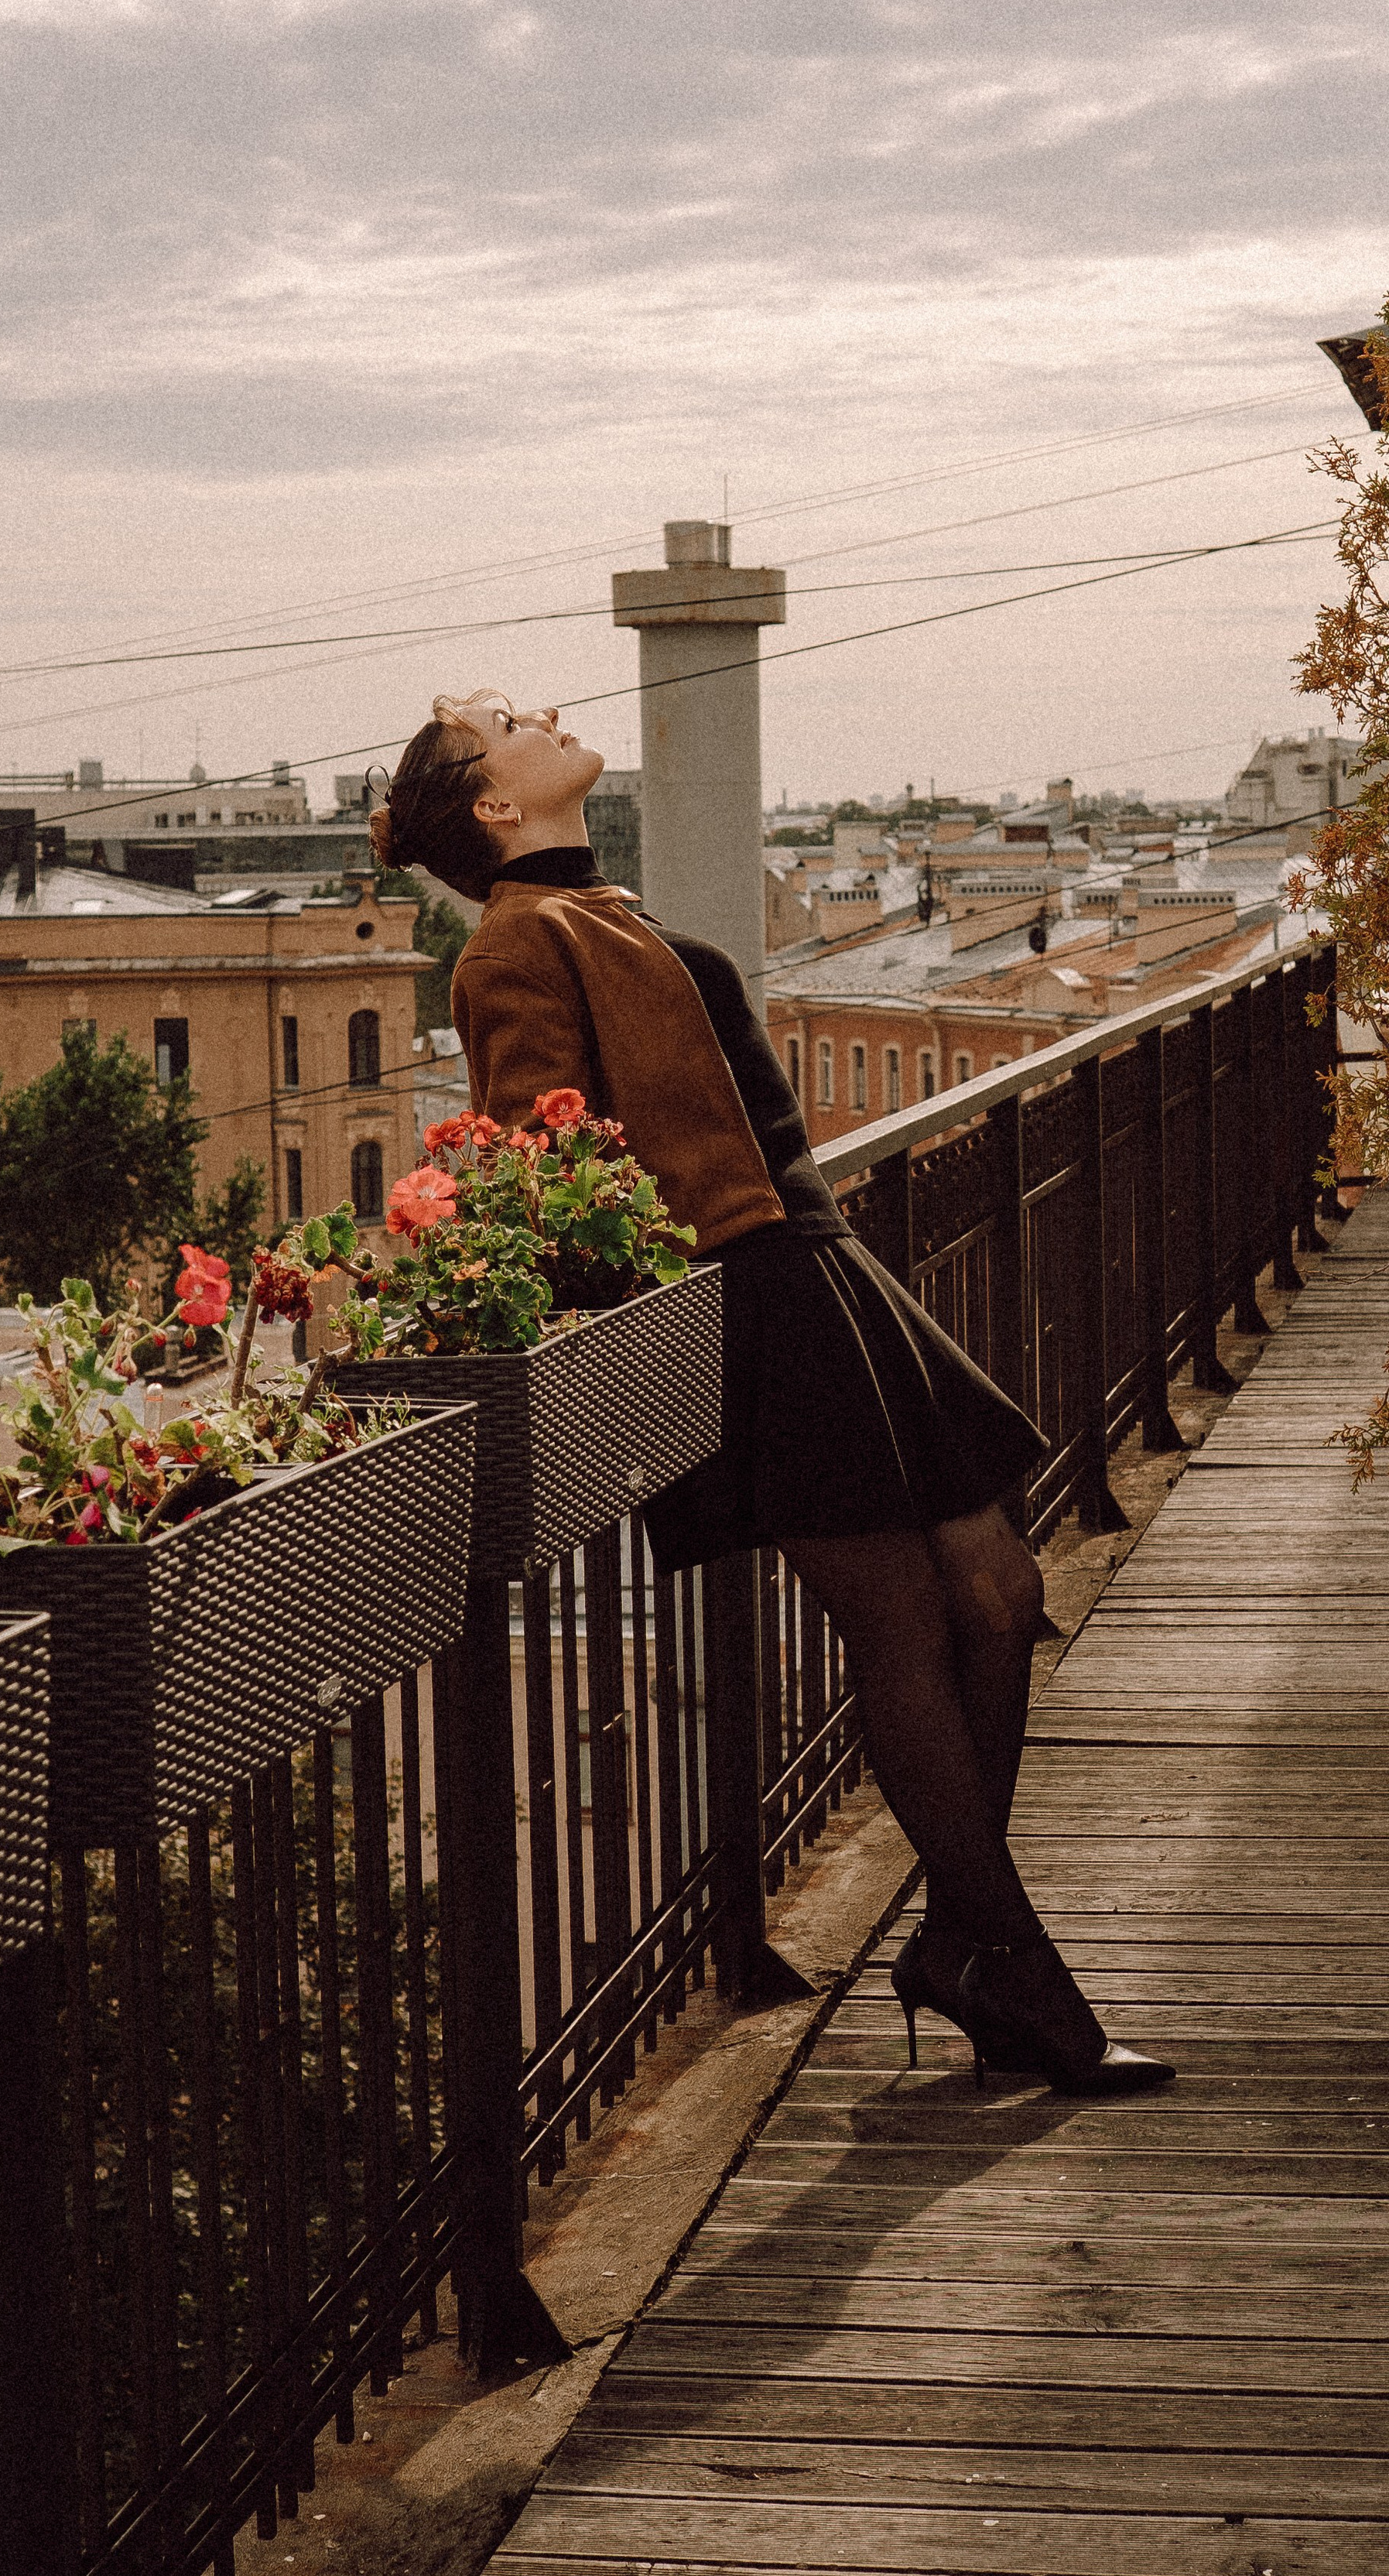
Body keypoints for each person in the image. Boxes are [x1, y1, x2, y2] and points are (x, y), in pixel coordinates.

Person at [371, 690, 1172, 2095]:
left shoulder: (591, 907)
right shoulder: (510, 945)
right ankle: (1017, 1969)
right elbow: (543, 1171)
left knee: (1000, 1593)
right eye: (510, 722)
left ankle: (958, 1944)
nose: (546, 715)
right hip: (745, 1302)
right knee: (907, 1622)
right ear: (493, 805)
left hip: (815, 1269)